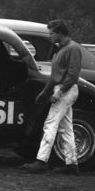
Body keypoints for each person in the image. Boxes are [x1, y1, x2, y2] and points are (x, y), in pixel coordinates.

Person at [22, 19, 82, 175]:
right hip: (64, 89)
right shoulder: (62, 49)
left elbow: (73, 75)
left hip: (65, 90)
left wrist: (59, 92)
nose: (50, 37)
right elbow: (56, 75)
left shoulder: (72, 49)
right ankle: (71, 163)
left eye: (51, 34)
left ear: (59, 33)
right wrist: (45, 92)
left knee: (50, 123)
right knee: (65, 128)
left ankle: (41, 161)